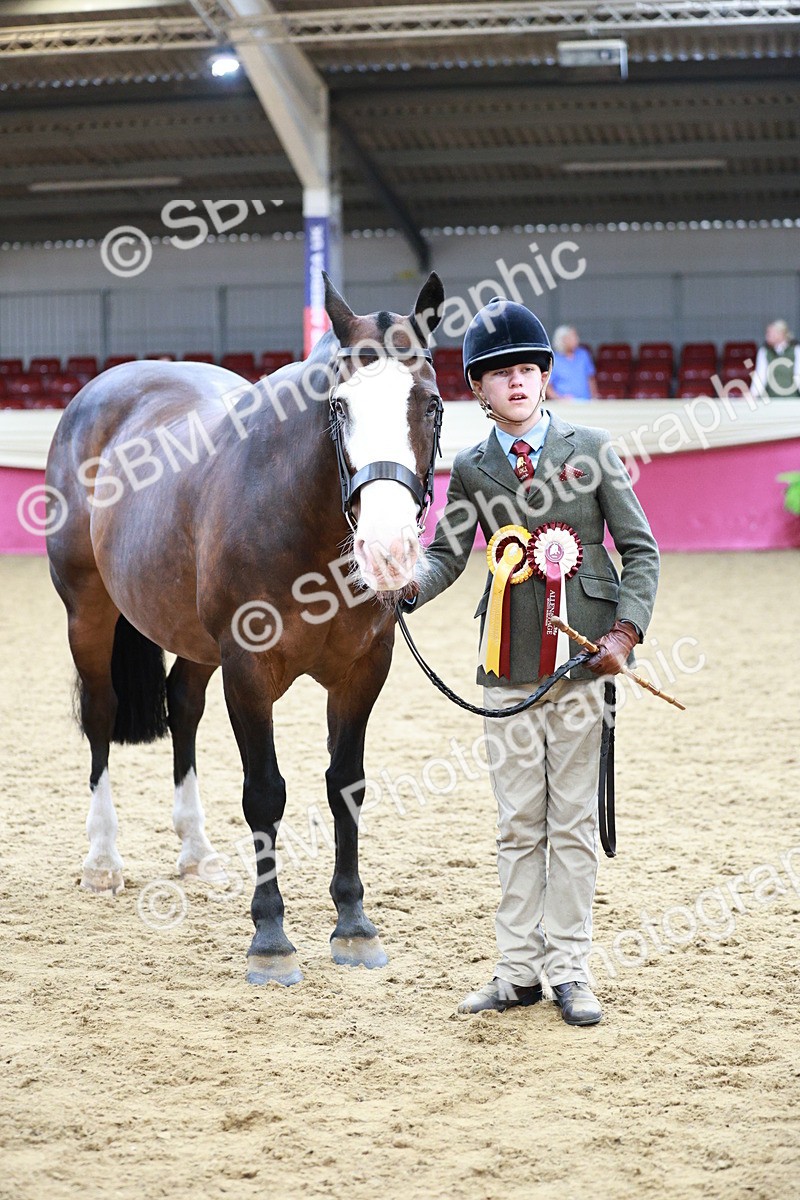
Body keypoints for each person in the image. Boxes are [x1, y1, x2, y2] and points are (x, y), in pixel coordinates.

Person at [402, 297, 659, 1026]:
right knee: (518, 823)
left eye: (526, 368)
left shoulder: (593, 448)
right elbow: (450, 551)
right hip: (507, 662)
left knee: (573, 824)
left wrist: (626, 634)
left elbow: (639, 550)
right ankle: (516, 972)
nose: (516, 381)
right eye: (499, 373)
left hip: (584, 664)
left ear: (544, 377)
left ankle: (570, 970)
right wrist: (406, 589)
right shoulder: (474, 468)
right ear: (478, 391)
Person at [546, 324, 597, 401]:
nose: (576, 339)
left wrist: (594, 397)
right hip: (565, 406)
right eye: (572, 337)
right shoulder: (554, 360)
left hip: (586, 403)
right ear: (562, 340)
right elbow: (548, 386)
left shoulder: (583, 355)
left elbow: (591, 379)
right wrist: (559, 399)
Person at [753, 320, 800, 398]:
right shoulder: (764, 351)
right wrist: (754, 394)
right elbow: (760, 375)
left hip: (793, 398)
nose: (767, 336)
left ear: (781, 334)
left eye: (770, 333)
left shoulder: (796, 349)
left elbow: (798, 373)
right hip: (771, 398)